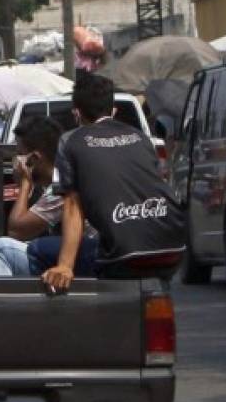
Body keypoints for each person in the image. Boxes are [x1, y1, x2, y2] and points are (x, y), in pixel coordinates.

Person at [39, 74, 185, 291]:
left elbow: (71, 206)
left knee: (34, 250)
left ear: (76, 113)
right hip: (172, 246)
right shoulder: (142, 138)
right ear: (113, 110)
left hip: (122, 255)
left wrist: (64, 266)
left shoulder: (70, 141)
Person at [0, 117, 64, 276]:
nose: (16, 161)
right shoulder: (57, 179)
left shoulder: (60, 186)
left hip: (83, 260)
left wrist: (25, 183)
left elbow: (16, 230)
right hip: (75, 255)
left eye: (19, 154)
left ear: (34, 159)